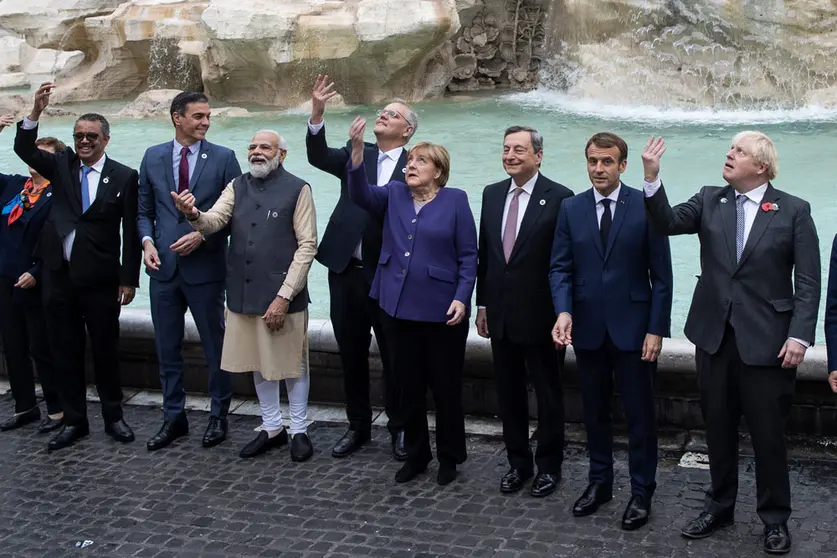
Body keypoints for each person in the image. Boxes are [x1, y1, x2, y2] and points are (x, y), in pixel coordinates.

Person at [642, 132, 820, 554]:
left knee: (768, 437)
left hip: (769, 343)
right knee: (717, 431)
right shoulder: (708, 199)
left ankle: (775, 519)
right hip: (714, 338)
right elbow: (665, 223)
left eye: (739, 151)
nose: (729, 154)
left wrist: (799, 334)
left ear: (760, 165)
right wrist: (651, 177)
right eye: (731, 149)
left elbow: (808, 282)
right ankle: (719, 506)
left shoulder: (794, 210)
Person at [550, 133, 673, 530]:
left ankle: (641, 492)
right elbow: (560, 267)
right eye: (592, 161)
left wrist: (656, 329)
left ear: (622, 166)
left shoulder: (645, 205)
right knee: (594, 415)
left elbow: (663, 277)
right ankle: (599, 482)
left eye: (606, 162)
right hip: (586, 329)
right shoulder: (571, 208)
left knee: (640, 418)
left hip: (635, 332)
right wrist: (563, 310)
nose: (598, 169)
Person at [346, 116, 477, 486]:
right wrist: (357, 151)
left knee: (446, 387)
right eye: (409, 162)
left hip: (442, 310)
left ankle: (450, 457)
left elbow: (468, 256)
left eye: (419, 161)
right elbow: (360, 195)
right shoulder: (393, 193)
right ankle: (418, 454)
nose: (410, 166)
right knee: (406, 385)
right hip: (396, 305)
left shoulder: (456, 200)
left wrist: (462, 298)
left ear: (438, 171)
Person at [172, 130, 316, 462]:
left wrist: (283, 296)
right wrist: (192, 214)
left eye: (265, 147)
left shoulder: (299, 188)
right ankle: (271, 427)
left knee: (293, 364)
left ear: (282, 154)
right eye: (251, 146)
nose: (256, 152)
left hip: (283, 293)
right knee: (257, 361)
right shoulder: (237, 185)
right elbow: (213, 222)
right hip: (242, 290)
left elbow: (307, 246)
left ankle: (299, 429)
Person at [13, 83, 142, 451]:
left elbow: (130, 231)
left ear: (105, 139)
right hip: (58, 276)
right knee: (63, 350)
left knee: (104, 349)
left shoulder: (123, 176)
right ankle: (74, 421)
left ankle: (114, 417)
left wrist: (128, 278)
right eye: (79, 136)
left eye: (91, 136)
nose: (84, 142)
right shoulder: (61, 165)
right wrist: (35, 112)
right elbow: (23, 148)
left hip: (100, 279)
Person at [306, 75, 408, 460]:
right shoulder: (356, 152)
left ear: (407, 130)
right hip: (346, 269)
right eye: (382, 111)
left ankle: (399, 427)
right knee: (350, 352)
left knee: (395, 355)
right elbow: (317, 156)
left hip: (389, 273)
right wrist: (317, 112)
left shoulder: (418, 164)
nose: (382, 115)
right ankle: (358, 426)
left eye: (392, 114)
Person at [137, 92, 242, 452]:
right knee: (167, 348)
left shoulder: (225, 158)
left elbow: (236, 215)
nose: (205, 122)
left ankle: (218, 416)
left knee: (216, 347)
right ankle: (173, 417)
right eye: (198, 116)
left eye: (208, 116)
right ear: (176, 118)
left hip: (206, 267)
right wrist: (147, 242)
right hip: (162, 268)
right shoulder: (152, 156)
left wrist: (202, 235)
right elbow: (143, 210)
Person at [475, 125, 573, 498]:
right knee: (508, 395)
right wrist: (482, 303)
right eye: (505, 149)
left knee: (549, 395)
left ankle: (549, 466)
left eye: (518, 149)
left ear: (538, 156)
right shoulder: (491, 193)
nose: (510, 155)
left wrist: (565, 312)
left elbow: (564, 262)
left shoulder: (561, 197)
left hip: (543, 316)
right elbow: (488, 254)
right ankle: (518, 463)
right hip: (499, 313)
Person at [0, 115, 62, 433]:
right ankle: (25, 407)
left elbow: (61, 241)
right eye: (34, 150)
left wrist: (36, 271)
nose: (36, 156)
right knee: (12, 346)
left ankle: (56, 409)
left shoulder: (60, 195)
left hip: (36, 280)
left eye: (45, 152)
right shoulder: (13, 185)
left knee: (42, 347)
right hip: (5, 278)